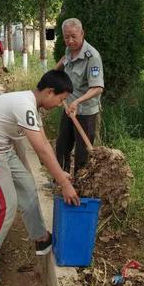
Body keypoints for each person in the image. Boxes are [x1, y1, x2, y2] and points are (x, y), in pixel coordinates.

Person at [0, 70, 80, 282]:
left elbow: (45, 143)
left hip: (2, 148)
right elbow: (41, 150)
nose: (59, 105)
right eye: (61, 99)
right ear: (49, 92)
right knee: (4, 205)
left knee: (27, 186)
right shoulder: (25, 106)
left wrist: (60, 174)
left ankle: (40, 238)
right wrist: (64, 183)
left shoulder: (32, 108)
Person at [54, 18, 104, 176]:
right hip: (68, 108)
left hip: (85, 112)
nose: (70, 40)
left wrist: (78, 101)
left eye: (73, 36)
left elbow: (97, 87)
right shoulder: (69, 50)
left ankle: (79, 187)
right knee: (62, 146)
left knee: (83, 153)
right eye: (66, 37)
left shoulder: (92, 57)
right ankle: (61, 181)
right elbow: (64, 60)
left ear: (82, 33)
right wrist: (55, 72)